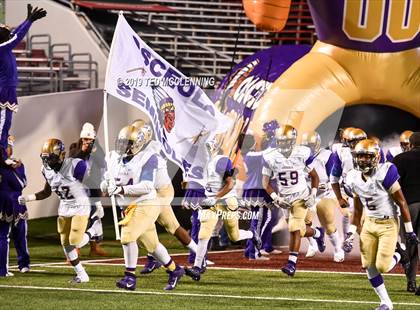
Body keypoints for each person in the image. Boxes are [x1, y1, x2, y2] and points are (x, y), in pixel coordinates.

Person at [101, 125, 184, 291]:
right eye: (121, 141)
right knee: (152, 245)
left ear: (137, 144)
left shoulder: (148, 158)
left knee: (127, 236)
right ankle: (175, 270)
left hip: (146, 203)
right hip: (129, 207)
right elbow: (105, 181)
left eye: (127, 143)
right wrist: (106, 185)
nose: (122, 146)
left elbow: (147, 186)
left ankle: (130, 277)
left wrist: (121, 189)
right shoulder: (113, 158)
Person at [342, 139, 417, 310]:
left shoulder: (385, 171)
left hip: (388, 223)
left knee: (382, 266)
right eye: (360, 156)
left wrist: (409, 231)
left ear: (375, 157)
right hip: (369, 223)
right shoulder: (353, 177)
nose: (362, 160)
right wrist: (350, 234)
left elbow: (402, 203)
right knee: (368, 266)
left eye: (367, 157)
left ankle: (400, 255)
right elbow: (358, 210)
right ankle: (386, 302)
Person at [18, 139, 100, 283]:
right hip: (65, 207)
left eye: (51, 158)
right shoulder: (46, 171)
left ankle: (94, 229)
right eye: (45, 158)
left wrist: (97, 202)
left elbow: (92, 184)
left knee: (75, 241)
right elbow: (46, 192)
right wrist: (28, 198)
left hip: (81, 205)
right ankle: (82, 275)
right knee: (66, 244)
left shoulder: (75, 165)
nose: (48, 162)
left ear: (61, 155)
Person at [184, 137, 261, 281]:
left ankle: (251, 234)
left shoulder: (220, 160)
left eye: (206, 149)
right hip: (210, 201)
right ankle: (197, 266)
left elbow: (230, 184)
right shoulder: (203, 163)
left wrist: (216, 197)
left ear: (213, 148)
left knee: (234, 236)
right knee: (203, 234)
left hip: (226, 200)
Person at [128, 121, 198, 274]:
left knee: (152, 226)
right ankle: (196, 255)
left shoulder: (153, 150)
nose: (132, 138)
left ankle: (197, 257)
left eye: (135, 133)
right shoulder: (141, 150)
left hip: (161, 192)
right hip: (151, 192)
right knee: (165, 227)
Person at [262, 124, 325, 277]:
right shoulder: (270, 156)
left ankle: (291, 264)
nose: (282, 143)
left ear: (292, 141)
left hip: (300, 195)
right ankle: (317, 233)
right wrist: (276, 198)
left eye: (285, 141)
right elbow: (265, 183)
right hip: (284, 198)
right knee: (299, 229)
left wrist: (313, 194)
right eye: (280, 141)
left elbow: (315, 176)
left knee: (294, 229)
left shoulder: (302, 153)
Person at [0, 4, 46, 163]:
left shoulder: (4, 45)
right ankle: (1, 156)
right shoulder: (1, 47)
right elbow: (16, 37)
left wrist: (27, 20)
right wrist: (30, 21)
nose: (8, 32)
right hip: (3, 91)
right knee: (3, 124)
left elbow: (13, 34)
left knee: (6, 124)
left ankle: (3, 154)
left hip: (7, 90)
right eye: (4, 32)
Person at [301, 131, 344, 263]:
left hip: (325, 192)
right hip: (308, 192)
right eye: (307, 145)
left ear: (318, 144)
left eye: (311, 145)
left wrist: (328, 185)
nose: (309, 148)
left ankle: (338, 249)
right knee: (301, 222)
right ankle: (313, 244)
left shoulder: (327, 155)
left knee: (328, 222)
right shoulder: (300, 156)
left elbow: (336, 176)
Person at [69, 123, 106, 257]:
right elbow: (71, 160)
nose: (87, 142)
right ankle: (75, 248)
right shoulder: (75, 147)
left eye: (89, 140)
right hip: (78, 188)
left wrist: (94, 152)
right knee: (80, 217)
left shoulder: (98, 148)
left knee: (95, 216)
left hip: (92, 187)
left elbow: (103, 164)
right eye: (85, 139)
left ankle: (94, 246)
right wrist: (83, 151)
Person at [393, 132, 420, 294]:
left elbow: (393, 186)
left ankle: (411, 282)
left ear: (409, 144)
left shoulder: (400, 159)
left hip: (409, 206)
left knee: (410, 244)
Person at [0, 136, 30, 273]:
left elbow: (22, 183)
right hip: (3, 203)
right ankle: (2, 269)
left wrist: (13, 167)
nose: (6, 150)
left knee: (20, 234)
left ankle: (24, 264)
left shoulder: (18, 164)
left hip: (18, 203)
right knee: (2, 235)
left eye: (8, 147)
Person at [330, 127, 367, 236]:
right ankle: (353, 241)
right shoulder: (342, 152)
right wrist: (339, 198)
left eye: (357, 142)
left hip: (371, 191)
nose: (354, 145)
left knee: (370, 221)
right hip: (351, 191)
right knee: (357, 220)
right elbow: (334, 177)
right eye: (352, 142)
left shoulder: (374, 150)